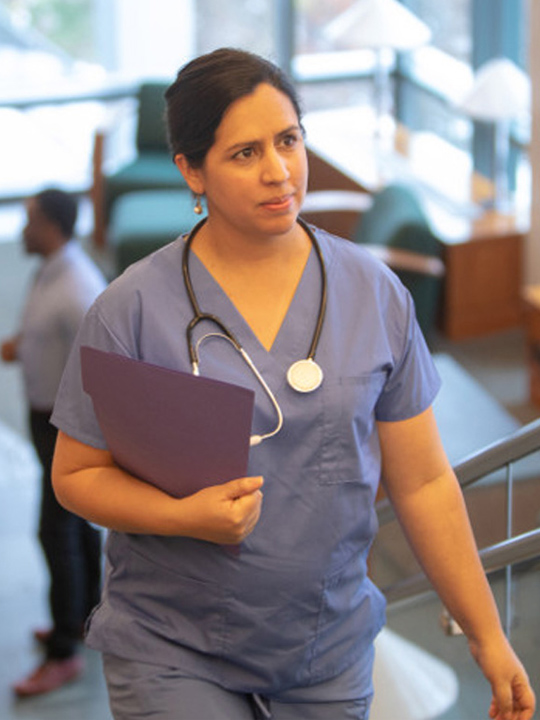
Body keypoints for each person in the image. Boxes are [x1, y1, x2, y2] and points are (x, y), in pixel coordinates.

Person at [50, 49, 535, 720]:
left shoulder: (375, 294)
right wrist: (182, 516)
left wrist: (487, 634)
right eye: (244, 153)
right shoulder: (130, 309)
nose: (279, 171)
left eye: (288, 140)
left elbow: (422, 482)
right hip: (172, 644)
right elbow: (76, 475)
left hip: (325, 648)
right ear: (191, 170)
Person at [1, 189, 107, 697]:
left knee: (54, 532)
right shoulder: (50, 267)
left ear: (51, 228)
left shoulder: (78, 290)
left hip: (67, 426)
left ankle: (64, 649)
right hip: (45, 417)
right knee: (72, 525)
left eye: (29, 221)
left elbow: (106, 371)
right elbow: (36, 335)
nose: (21, 230)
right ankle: (87, 613)